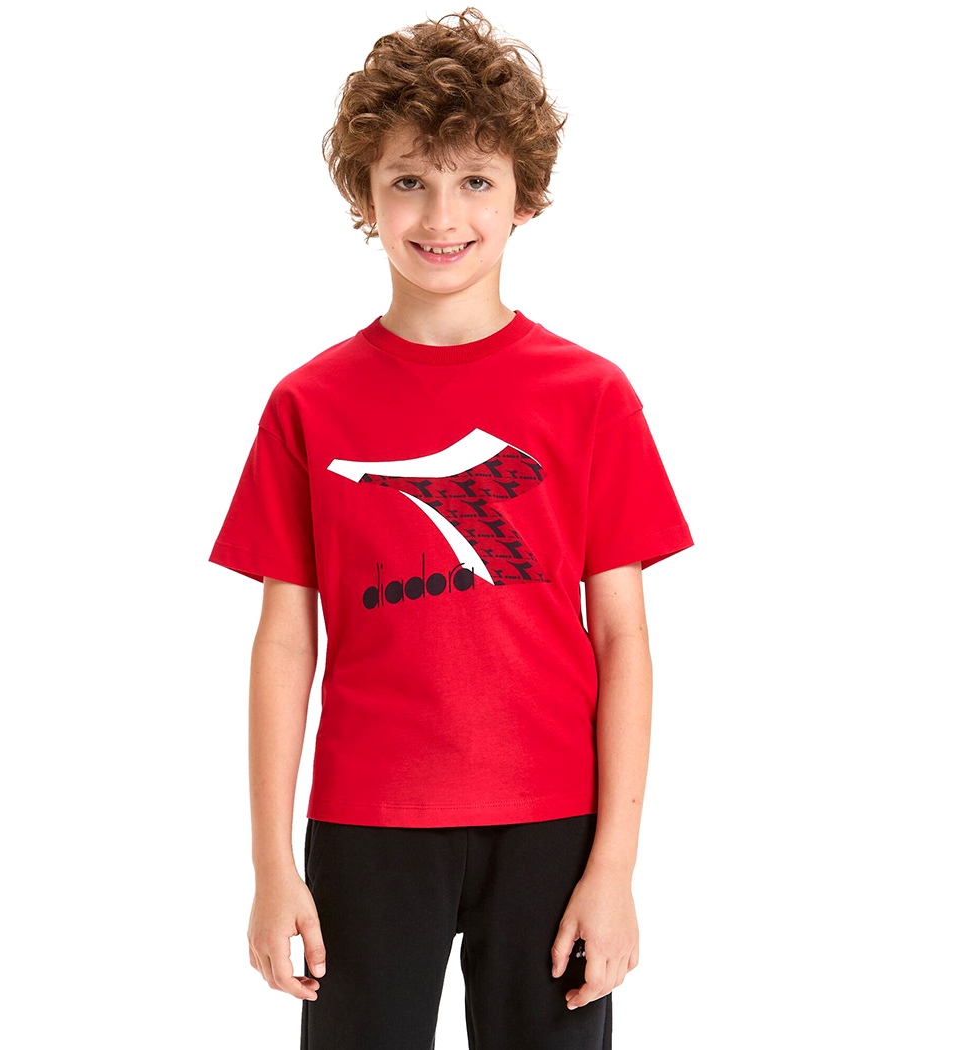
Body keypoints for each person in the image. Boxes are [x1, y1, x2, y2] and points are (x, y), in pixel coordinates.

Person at [208, 8, 694, 1048]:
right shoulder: (308, 405)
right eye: (409, 180)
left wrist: (614, 869)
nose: (441, 214)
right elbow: (286, 641)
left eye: (476, 179)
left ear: (526, 198)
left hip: (553, 823)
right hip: (367, 822)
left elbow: (622, 638)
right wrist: (271, 866)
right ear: (364, 195)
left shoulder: (591, 396)